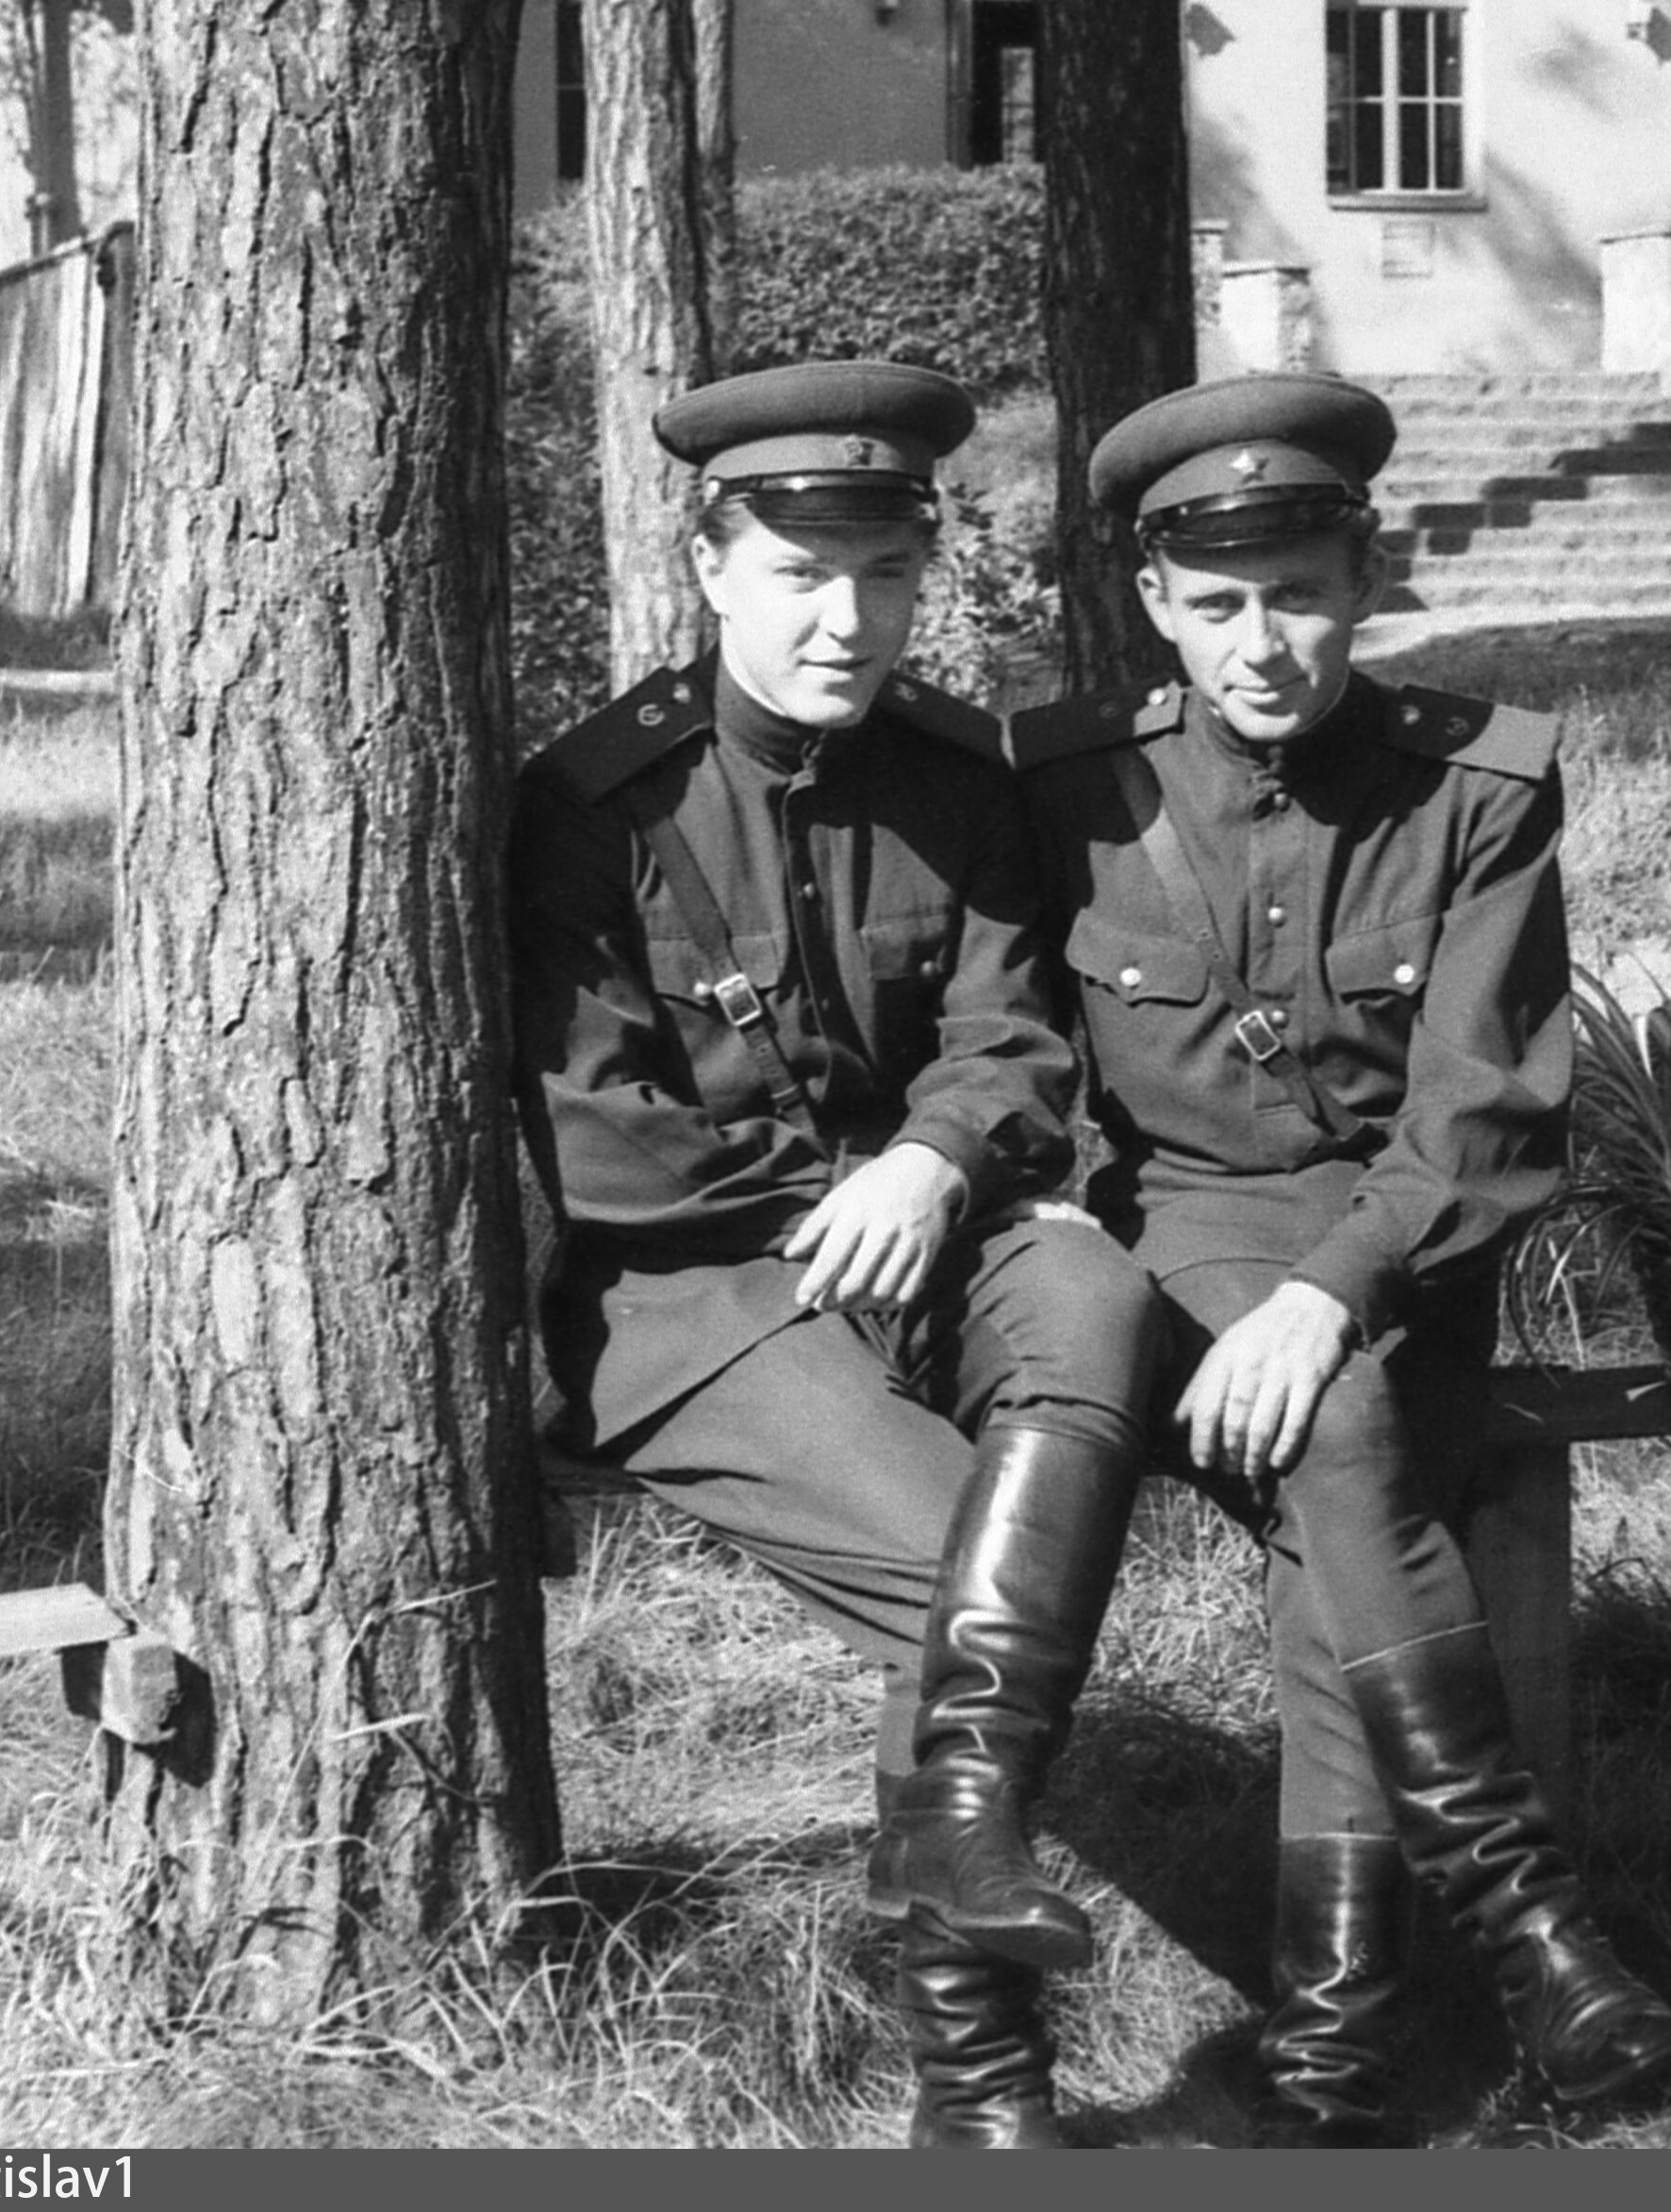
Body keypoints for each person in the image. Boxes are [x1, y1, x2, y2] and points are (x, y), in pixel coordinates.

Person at [1012, 375, 1671, 2143]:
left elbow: (1481, 1118)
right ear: (1157, 602)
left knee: (1345, 1439)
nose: (1264, 645)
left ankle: (1334, 2046)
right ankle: (1532, 1939)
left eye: (1300, 594)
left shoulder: (1475, 788)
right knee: (1356, 1451)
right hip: (1175, 1235)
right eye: (1221, 605)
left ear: (1362, 577)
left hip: (1401, 1247)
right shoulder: (1070, 787)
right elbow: (1010, 1049)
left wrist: (1329, 1294)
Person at [507, 360, 1170, 2147]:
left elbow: (1013, 1032)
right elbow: (606, 1133)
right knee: (972, 1561)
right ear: (710, 566)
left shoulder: (963, 776)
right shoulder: (595, 805)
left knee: (1100, 1290)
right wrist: (847, 1199)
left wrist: (938, 1162)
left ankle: (958, 1892)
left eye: (884, 576)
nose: (848, 620)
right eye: (802, 575)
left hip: (942, 1226)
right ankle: (984, 2079)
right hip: (694, 1291)